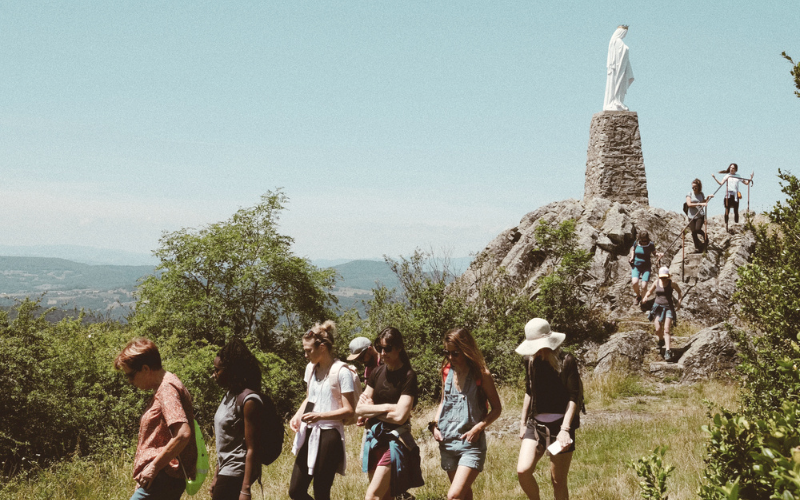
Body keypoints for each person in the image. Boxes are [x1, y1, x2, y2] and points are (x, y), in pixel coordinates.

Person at [114, 338, 197, 500]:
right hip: (164, 479)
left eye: (131, 375)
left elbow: (183, 434)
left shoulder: (166, 389)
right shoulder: (167, 384)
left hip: (163, 478)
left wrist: (153, 467)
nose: (130, 381)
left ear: (145, 369)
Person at [430, 328, 502, 500]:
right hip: (447, 442)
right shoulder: (446, 371)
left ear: (466, 350)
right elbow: (443, 402)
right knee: (464, 495)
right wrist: (434, 426)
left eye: (455, 353)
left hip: (471, 443)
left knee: (454, 495)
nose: (450, 358)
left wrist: (478, 428)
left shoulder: (481, 374)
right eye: (447, 352)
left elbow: (497, 409)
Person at [515, 318, 582, 500]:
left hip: (560, 428)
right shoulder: (530, 361)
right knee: (523, 470)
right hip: (535, 425)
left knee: (557, 480)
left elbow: (573, 397)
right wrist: (522, 424)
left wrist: (565, 430)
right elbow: (529, 392)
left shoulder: (566, 361)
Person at [289, 320, 356, 500]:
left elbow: (349, 410)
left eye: (308, 350)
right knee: (295, 491)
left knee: (321, 491)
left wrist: (320, 416)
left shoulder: (342, 372)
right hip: (310, 432)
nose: (305, 355)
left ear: (323, 348)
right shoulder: (310, 369)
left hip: (330, 435)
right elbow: (310, 397)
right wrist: (298, 415)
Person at [356, 327, 424, 500]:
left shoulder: (408, 376)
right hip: (374, 440)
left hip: (394, 441)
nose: (383, 353)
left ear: (399, 347)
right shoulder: (377, 372)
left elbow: (400, 417)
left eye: (387, 348)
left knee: (372, 496)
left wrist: (373, 411)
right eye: (380, 348)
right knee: (385, 497)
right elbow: (359, 409)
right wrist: (388, 407)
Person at [210, 339, 264, 500]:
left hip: (236, 472)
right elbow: (227, 442)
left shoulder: (249, 400)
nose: (213, 375)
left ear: (230, 371)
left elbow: (252, 448)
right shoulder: (229, 395)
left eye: (217, 370)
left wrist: (245, 489)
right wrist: (216, 475)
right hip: (225, 471)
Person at [642, 267, 683, 362]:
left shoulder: (672, 283)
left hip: (669, 307)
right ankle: (661, 340)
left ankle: (668, 351)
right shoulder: (656, 282)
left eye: (665, 277)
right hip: (658, 307)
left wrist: (678, 303)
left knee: (667, 330)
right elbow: (649, 291)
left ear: (668, 276)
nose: (663, 279)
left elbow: (680, 292)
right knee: (657, 329)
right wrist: (645, 297)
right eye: (661, 277)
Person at [712, 163, 753, 233]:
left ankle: (736, 225)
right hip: (728, 195)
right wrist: (715, 178)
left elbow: (746, 183)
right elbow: (721, 183)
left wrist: (751, 178)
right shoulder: (727, 176)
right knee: (727, 209)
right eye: (730, 167)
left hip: (735, 195)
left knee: (736, 210)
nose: (731, 169)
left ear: (736, 169)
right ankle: (726, 225)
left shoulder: (738, 176)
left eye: (733, 168)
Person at [603, 25, 635, 111]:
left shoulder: (614, 41)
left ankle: (617, 101)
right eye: (624, 33)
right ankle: (616, 101)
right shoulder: (618, 41)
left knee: (619, 84)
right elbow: (623, 51)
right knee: (618, 84)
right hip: (618, 69)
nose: (625, 35)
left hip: (620, 67)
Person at [627, 230, 663, 305]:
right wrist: (632, 257)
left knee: (644, 286)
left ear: (647, 239)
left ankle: (644, 301)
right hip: (636, 266)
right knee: (634, 283)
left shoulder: (650, 245)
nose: (644, 242)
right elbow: (632, 249)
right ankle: (638, 296)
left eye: (645, 240)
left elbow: (654, 253)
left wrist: (658, 254)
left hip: (646, 267)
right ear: (640, 239)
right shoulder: (636, 243)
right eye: (642, 240)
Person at [685, 179, 714, 253]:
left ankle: (705, 238)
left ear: (699, 187)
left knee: (697, 229)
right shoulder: (689, 194)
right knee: (693, 232)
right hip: (691, 215)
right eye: (693, 187)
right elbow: (689, 204)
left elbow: (704, 202)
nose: (694, 189)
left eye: (695, 187)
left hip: (700, 215)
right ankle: (697, 247)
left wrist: (708, 197)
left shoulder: (701, 194)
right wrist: (699, 204)